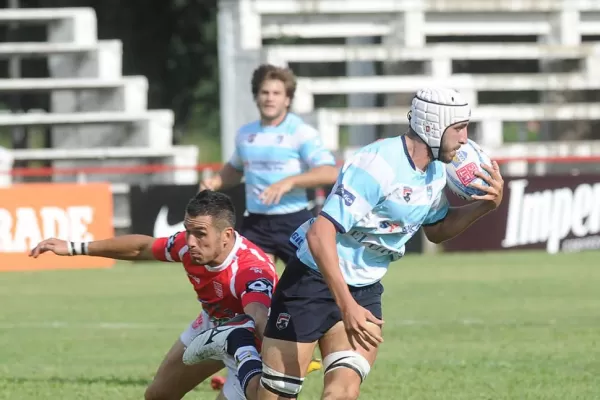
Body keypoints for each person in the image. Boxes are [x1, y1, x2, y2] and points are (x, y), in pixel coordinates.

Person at [183, 87, 506, 399]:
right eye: (460, 128)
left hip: (365, 288)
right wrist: (346, 306)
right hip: (311, 284)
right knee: (275, 394)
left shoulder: (436, 171)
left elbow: (436, 230)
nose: (465, 139)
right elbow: (319, 234)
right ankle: (237, 346)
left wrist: (485, 205)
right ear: (434, 126)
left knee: (343, 392)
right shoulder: (377, 165)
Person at [29, 190, 280, 400]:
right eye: (188, 230)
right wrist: (74, 247)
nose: (191, 241)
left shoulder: (250, 270)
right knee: (157, 396)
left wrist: (284, 364)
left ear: (226, 235)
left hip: (249, 344)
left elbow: (260, 318)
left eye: (200, 234)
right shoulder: (186, 244)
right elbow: (142, 248)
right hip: (209, 325)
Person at [200, 63, 339, 266]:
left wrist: (289, 182)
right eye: (265, 92)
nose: (270, 98)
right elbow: (235, 169)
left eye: (276, 93)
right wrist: (215, 182)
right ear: (256, 96)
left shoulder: (301, 132)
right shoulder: (245, 134)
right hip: (256, 224)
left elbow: (329, 172)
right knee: (254, 288)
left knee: (307, 289)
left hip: (293, 221)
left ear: (287, 99)